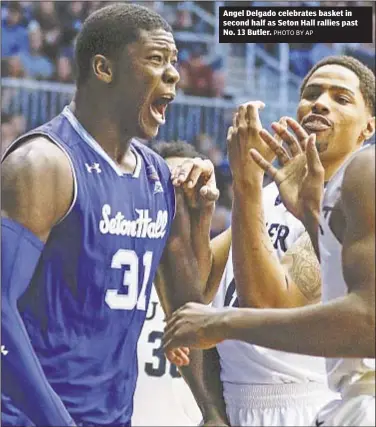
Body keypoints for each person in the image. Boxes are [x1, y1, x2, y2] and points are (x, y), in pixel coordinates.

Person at [1, 4, 226, 427]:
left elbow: (188, 308)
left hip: (115, 417)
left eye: (174, 62)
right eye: (157, 60)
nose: (174, 74)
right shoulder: (44, 165)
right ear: (103, 68)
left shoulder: (157, 175)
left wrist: (210, 411)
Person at [163, 56, 375, 427]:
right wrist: (198, 213)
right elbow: (199, 286)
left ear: (367, 129)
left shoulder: (350, 203)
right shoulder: (277, 193)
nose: (320, 103)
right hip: (235, 398)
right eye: (312, 93)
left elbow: (268, 304)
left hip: (298, 403)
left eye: (341, 98)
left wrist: (244, 184)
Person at [133, 141, 226, 426]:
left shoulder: (219, 267)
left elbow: (198, 288)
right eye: (169, 185)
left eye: (187, 185)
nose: (177, 197)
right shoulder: (124, 263)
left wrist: (202, 216)